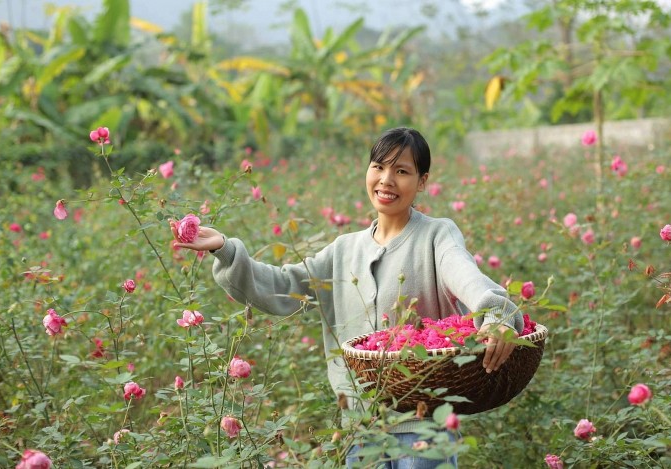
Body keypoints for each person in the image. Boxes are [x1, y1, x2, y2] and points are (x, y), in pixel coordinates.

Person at [172, 127, 523, 468]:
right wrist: (225, 250)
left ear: (422, 182)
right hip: (359, 429)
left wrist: (496, 315)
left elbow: (468, 277)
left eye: (401, 171)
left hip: (423, 429)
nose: (386, 180)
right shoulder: (344, 250)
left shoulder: (436, 236)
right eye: (379, 167)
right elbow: (283, 286)